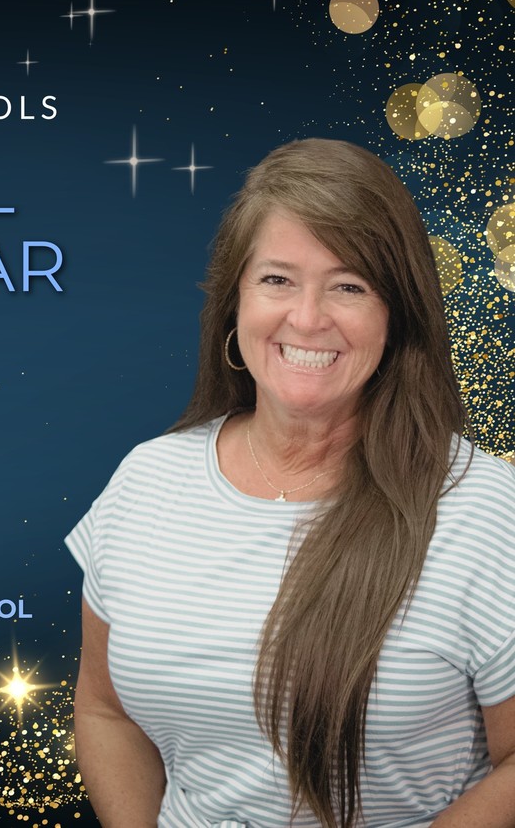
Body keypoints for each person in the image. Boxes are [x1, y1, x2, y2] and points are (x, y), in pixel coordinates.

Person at [66, 138, 515, 828]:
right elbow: (103, 710)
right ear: (235, 301)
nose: (307, 319)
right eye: (277, 280)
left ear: (396, 316)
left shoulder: (484, 512)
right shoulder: (146, 482)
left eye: (349, 286)